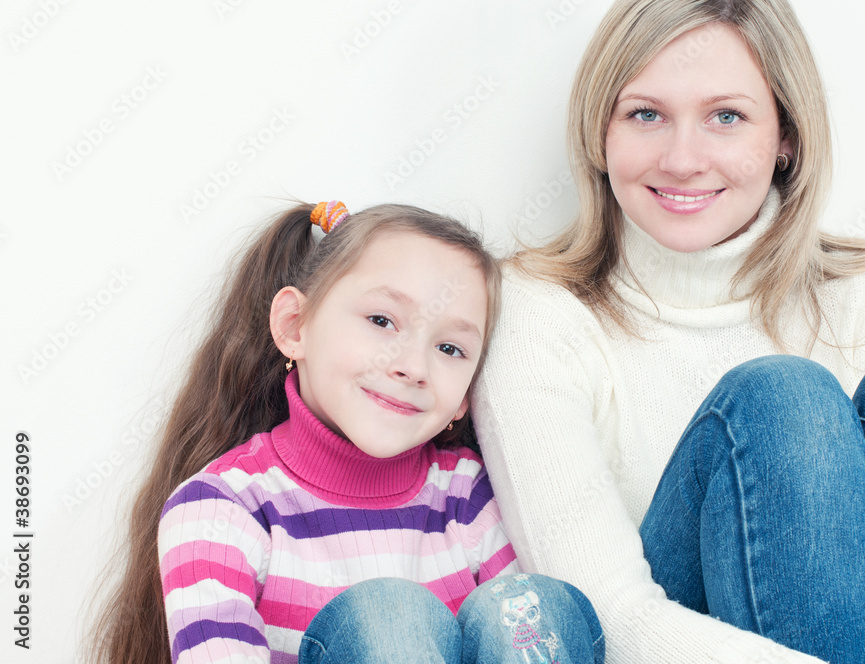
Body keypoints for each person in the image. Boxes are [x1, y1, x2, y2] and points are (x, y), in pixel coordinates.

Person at [472, 1, 865, 664]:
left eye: (726, 116)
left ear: (785, 136)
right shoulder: (535, 311)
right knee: (785, 403)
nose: (683, 159)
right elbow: (609, 618)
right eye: (645, 114)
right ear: (599, 132)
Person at [87, 200, 605, 664]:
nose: (411, 365)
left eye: (450, 349)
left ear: (467, 396)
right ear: (295, 326)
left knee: (532, 605)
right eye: (382, 320)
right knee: (388, 616)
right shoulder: (221, 508)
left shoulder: (465, 493)